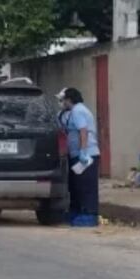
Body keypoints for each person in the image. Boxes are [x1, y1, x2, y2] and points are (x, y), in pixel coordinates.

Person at [57, 87, 100, 227]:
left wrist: (83, 151)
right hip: (76, 154)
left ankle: (90, 214)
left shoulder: (78, 111)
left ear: (69, 99)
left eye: (62, 100)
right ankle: (77, 211)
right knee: (76, 185)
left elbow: (83, 131)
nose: (62, 103)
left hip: (86, 155)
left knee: (86, 186)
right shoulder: (73, 112)